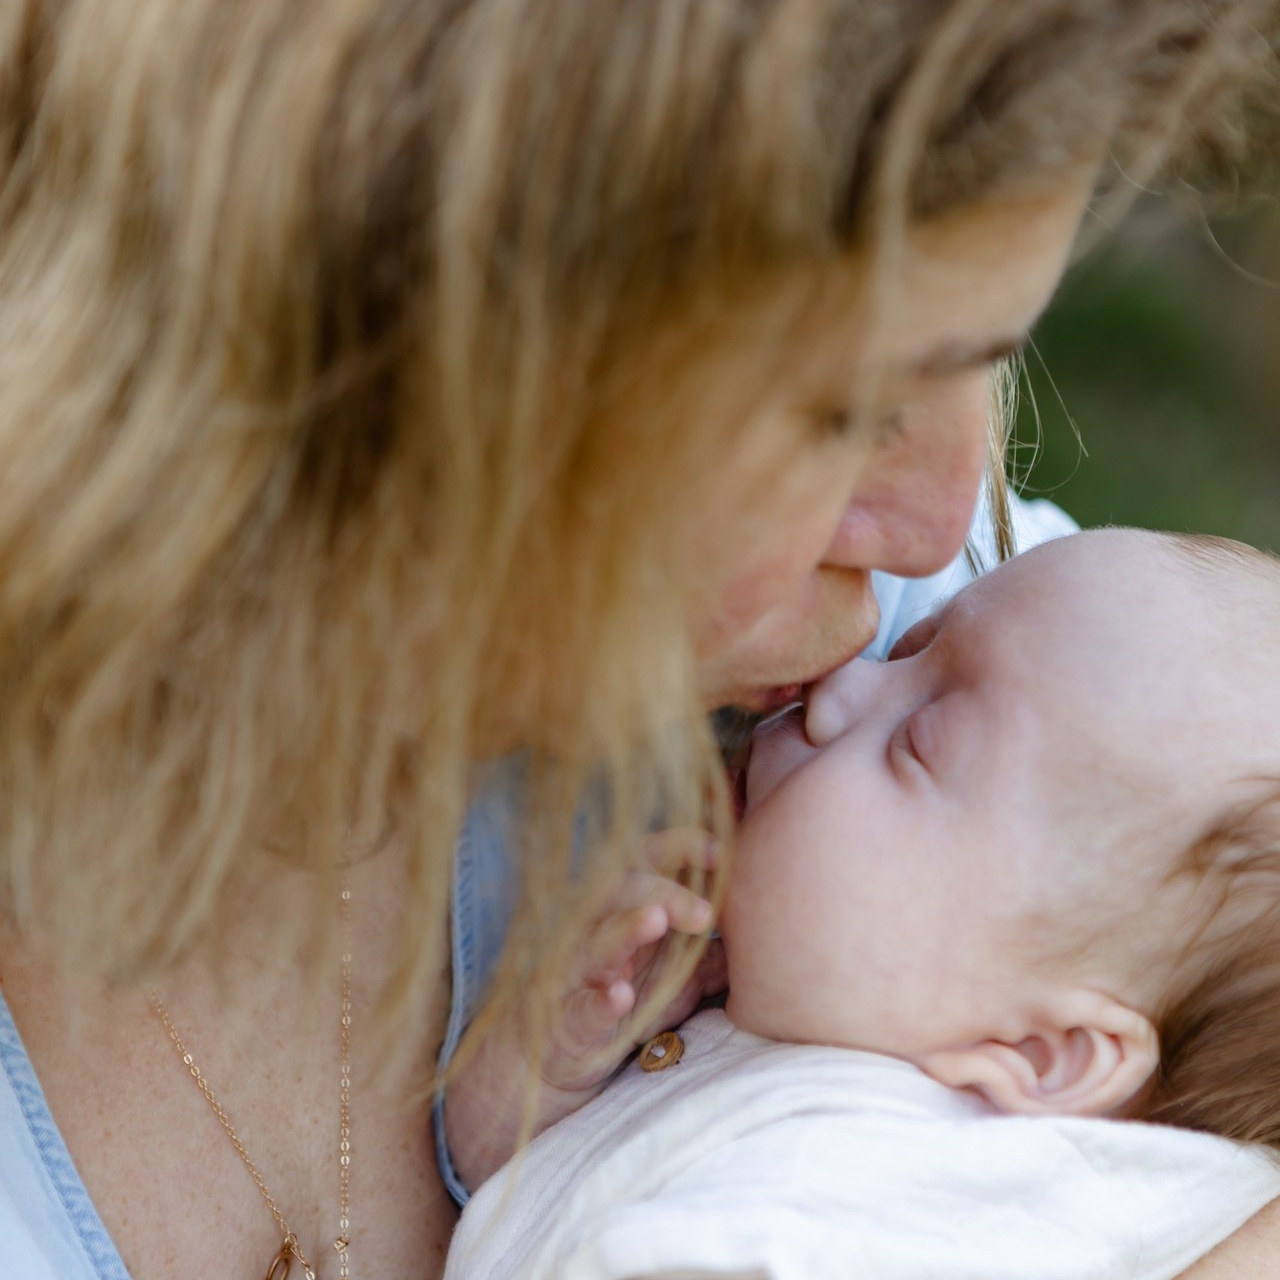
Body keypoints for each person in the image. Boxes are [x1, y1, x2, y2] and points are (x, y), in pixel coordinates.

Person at [0, 4, 1277, 1279]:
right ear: (421, 357)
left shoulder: (1019, 697)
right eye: (848, 406)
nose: (941, 530)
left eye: (988, 354)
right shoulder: (913, 747)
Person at [444, 527, 1280, 1280]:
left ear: (1043, 1050)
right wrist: (541, 1064)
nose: (842, 685)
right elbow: (503, 1210)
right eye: (908, 651)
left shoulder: (914, 1213)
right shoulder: (847, 1022)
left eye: (916, 744)